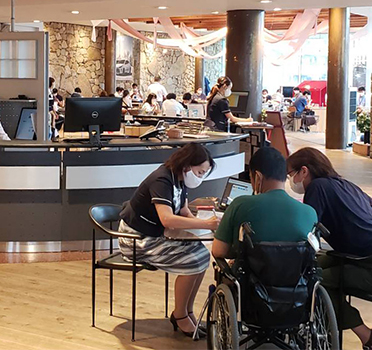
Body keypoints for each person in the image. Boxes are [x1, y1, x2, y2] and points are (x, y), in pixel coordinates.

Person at [286, 148, 372, 350]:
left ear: (304, 171)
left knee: (316, 281)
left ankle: (368, 336)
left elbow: (308, 231)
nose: (291, 180)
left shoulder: (316, 187)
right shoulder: (343, 184)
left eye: (291, 174)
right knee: (318, 265)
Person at [118, 143, 219, 337]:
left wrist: (204, 225)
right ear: (187, 166)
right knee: (192, 261)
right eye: (200, 172)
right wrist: (206, 225)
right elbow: (167, 219)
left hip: (155, 235)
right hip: (136, 239)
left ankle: (187, 310)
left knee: (202, 255)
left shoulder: (179, 179)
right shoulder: (162, 180)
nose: (200, 177)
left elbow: (183, 211)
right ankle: (180, 315)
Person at [212, 147, 317, 258]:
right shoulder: (310, 213)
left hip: (249, 270)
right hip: (294, 270)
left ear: (258, 177)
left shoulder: (240, 204)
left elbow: (219, 251)